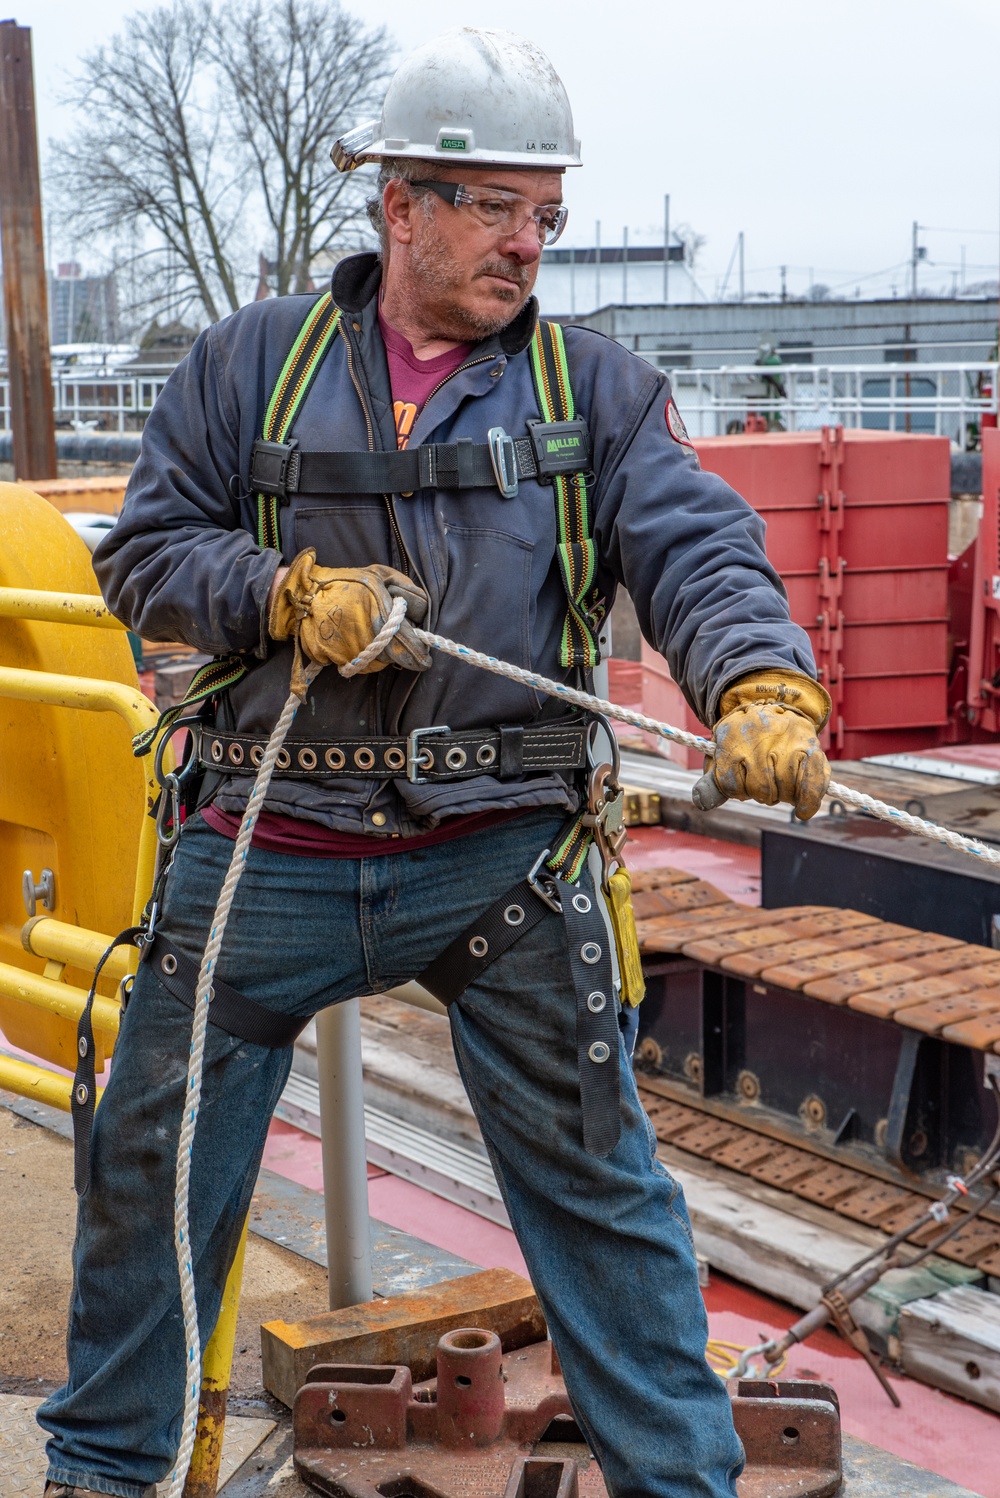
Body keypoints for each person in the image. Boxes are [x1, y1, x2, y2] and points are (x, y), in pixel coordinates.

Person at [40, 26, 830, 1498]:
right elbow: (145, 554)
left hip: (498, 851)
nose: (528, 245)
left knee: (601, 1188)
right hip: (271, 844)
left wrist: (762, 679)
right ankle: (102, 1467)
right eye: (493, 209)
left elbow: (698, 548)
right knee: (153, 1154)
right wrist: (277, 593)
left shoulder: (591, 393)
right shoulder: (249, 368)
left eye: (548, 217)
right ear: (398, 206)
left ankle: (684, 1482)